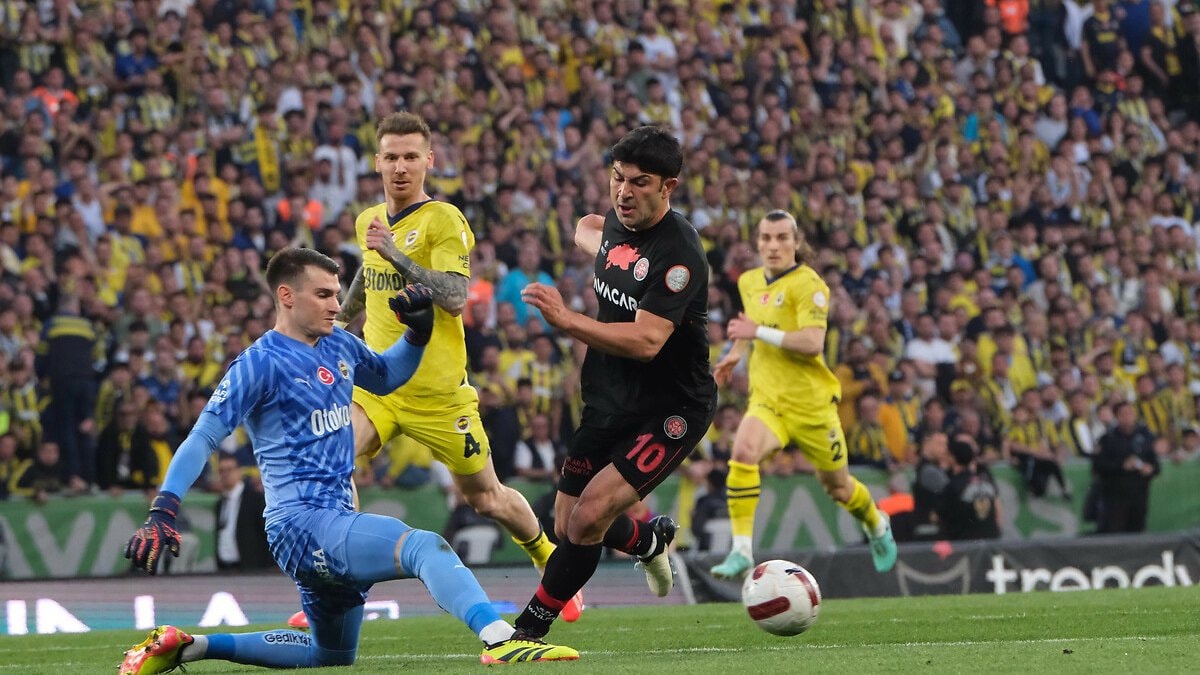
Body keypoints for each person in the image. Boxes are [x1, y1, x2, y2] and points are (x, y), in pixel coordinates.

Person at [118, 248, 577, 675]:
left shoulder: (337, 343)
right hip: (301, 522)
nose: (336, 305)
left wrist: (417, 335)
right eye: (323, 295)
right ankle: (501, 639)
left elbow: (387, 376)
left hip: (327, 522)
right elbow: (203, 437)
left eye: (337, 294)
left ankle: (189, 646)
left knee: (330, 654)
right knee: (424, 546)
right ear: (286, 296)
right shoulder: (259, 363)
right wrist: (164, 508)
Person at [331, 112, 582, 623]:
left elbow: (453, 296)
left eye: (410, 156)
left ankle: (546, 557)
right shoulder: (368, 220)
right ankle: (338, 588)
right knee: (332, 464)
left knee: (486, 497)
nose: (400, 167)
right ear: (376, 162)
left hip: (440, 396)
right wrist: (337, 319)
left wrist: (396, 254)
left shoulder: (443, 219)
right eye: (391, 157)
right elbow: (367, 276)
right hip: (377, 385)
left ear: (429, 160)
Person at [510, 125, 716, 640]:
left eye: (639, 183)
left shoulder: (679, 254)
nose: (623, 192)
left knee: (587, 520)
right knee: (565, 523)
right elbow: (589, 228)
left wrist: (568, 320)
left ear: (668, 187)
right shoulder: (617, 226)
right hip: (609, 396)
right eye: (617, 178)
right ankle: (646, 541)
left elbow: (647, 341)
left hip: (670, 407)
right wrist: (594, 237)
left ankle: (526, 633)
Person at [709, 210, 897, 579]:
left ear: (796, 243)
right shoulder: (749, 281)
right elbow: (750, 326)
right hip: (768, 401)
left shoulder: (810, 285)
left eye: (782, 238)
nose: (773, 245)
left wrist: (755, 333)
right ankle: (741, 550)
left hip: (812, 408)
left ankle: (877, 524)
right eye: (766, 238)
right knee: (743, 453)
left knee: (839, 488)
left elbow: (811, 343)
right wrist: (733, 355)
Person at [1093, 401, 1160, 533]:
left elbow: (1155, 465)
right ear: (1116, 417)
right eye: (1123, 414)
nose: (1127, 417)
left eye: (1130, 413)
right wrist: (1122, 466)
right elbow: (1099, 466)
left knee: (1137, 531)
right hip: (1115, 497)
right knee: (1116, 534)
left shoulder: (1144, 437)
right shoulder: (1108, 439)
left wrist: (1149, 469)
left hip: (1139, 496)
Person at [212, 453, 272, 571]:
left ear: (239, 471)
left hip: (251, 569)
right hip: (225, 569)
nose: (225, 474)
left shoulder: (255, 500)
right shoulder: (220, 503)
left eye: (229, 469)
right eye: (221, 471)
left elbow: (267, 534)